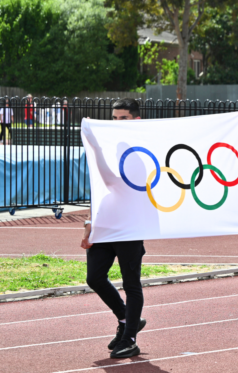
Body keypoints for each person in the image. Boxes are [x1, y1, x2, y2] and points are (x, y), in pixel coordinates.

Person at [81, 98, 148, 359]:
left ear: (136, 120)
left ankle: (130, 338)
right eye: (115, 118)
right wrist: (90, 223)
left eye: (124, 118)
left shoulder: (140, 151)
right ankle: (126, 318)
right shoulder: (110, 146)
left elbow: (113, 182)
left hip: (130, 225)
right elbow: (99, 188)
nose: (117, 123)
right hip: (106, 223)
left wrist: (95, 147)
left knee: (131, 283)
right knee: (94, 277)